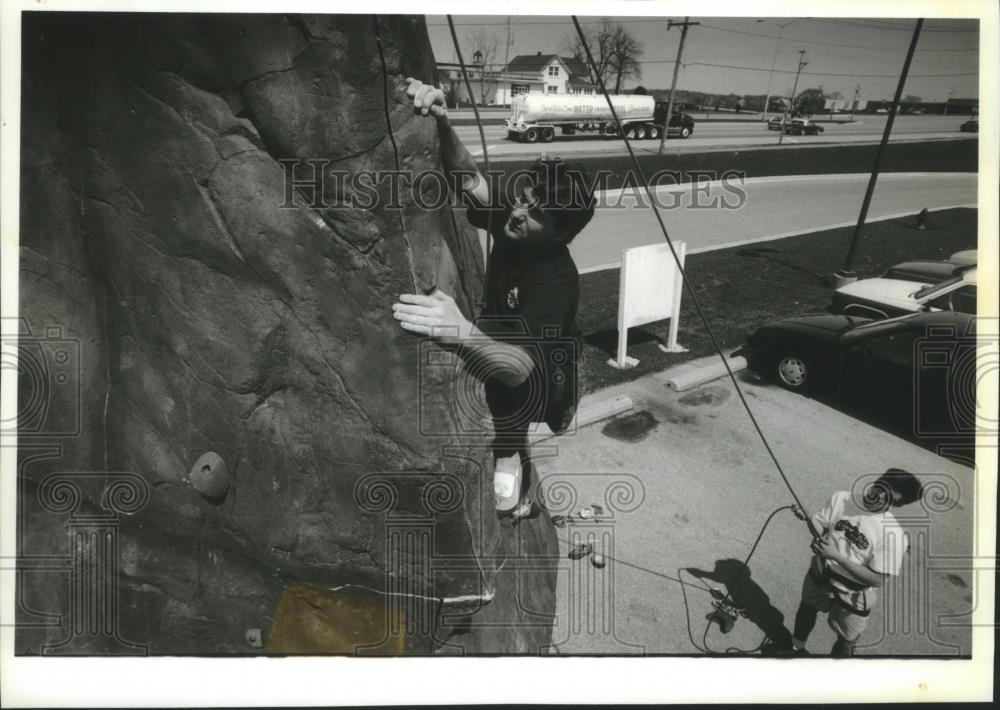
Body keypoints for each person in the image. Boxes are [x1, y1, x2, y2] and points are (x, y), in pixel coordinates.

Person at [391, 78, 595, 520]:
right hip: (506, 334)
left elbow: (519, 368)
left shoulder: (555, 284)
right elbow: (469, 177)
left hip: (541, 370)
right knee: (498, 400)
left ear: (563, 233)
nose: (518, 213)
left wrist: (460, 330)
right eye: (524, 200)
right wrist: (442, 120)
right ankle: (514, 478)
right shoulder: (516, 217)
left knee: (507, 424)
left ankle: (517, 500)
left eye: (536, 213)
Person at [764, 468, 924, 657]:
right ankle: (795, 647)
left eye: (888, 495)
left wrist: (837, 557)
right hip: (821, 573)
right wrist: (808, 516)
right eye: (880, 485)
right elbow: (820, 528)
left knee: (848, 639)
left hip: (854, 592)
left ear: (896, 502)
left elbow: (877, 580)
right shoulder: (841, 498)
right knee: (807, 606)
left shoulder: (894, 535)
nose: (878, 494)